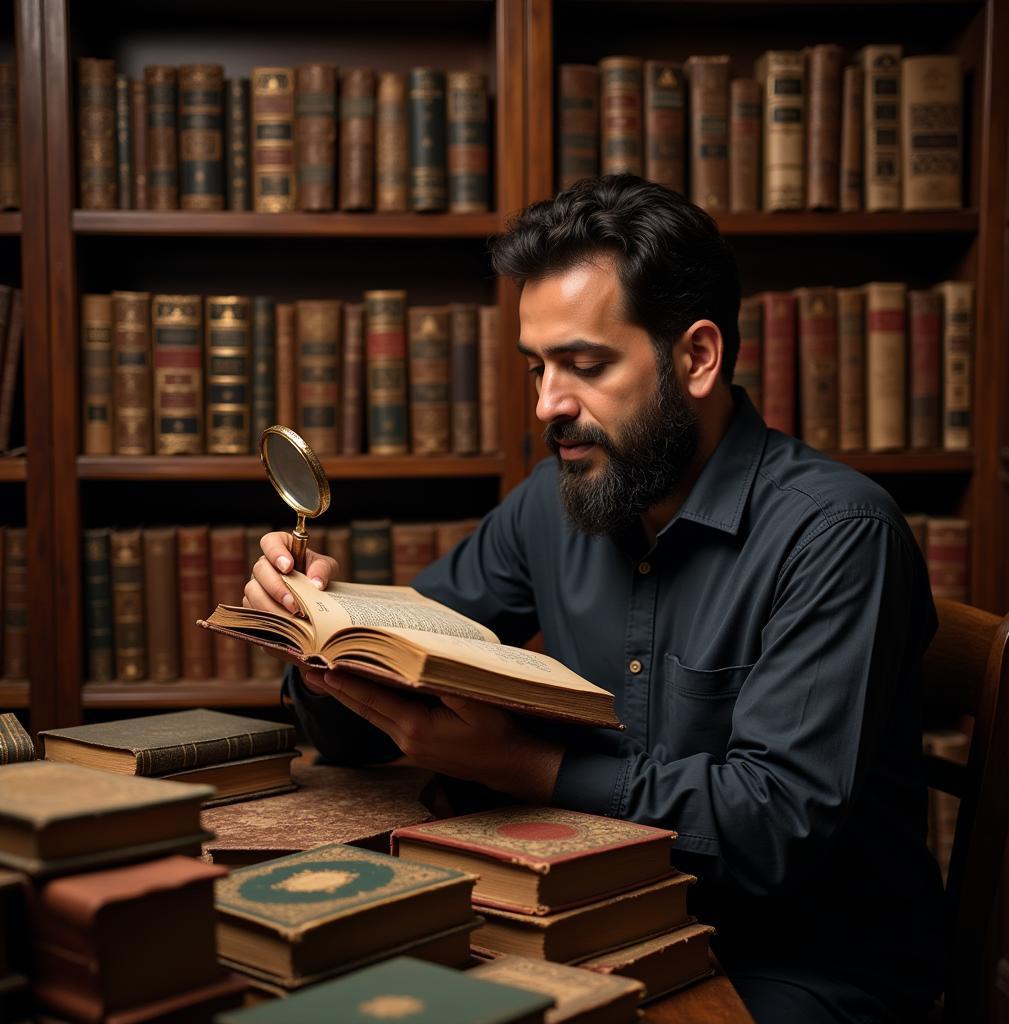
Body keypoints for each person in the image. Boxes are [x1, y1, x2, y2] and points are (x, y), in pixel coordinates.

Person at [246, 175, 944, 1024]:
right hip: (584, 925)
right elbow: (370, 714)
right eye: (538, 367)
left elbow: (774, 831)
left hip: (791, 969)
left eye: (586, 365)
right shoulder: (552, 502)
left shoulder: (839, 535)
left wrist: (520, 765)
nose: (549, 405)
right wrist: (321, 637)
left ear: (695, 357)